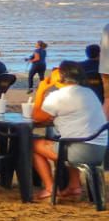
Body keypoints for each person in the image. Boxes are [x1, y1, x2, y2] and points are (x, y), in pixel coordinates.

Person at [32, 62, 108, 201]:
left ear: (61, 77)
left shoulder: (59, 96)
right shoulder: (88, 91)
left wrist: (41, 90)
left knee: (32, 144)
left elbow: (36, 116)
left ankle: (49, 188)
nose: (52, 73)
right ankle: (74, 186)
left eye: (56, 71)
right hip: (99, 149)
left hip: (79, 151)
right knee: (67, 138)